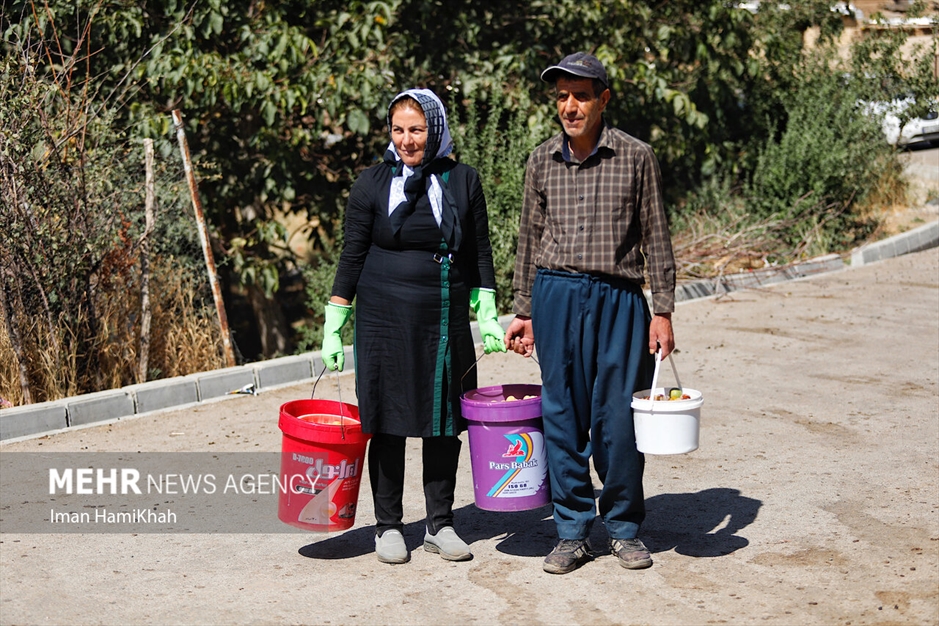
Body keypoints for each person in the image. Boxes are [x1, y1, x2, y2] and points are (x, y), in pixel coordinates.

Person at [504, 52, 677, 574]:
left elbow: (657, 237)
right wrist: (524, 310)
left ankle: (623, 528)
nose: (570, 106)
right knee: (561, 415)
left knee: (619, 420)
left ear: (604, 99)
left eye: (581, 95)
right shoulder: (540, 161)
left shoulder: (636, 156)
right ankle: (572, 530)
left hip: (620, 298)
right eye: (562, 96)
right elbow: (529, 240)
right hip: (556, 295)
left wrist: (662, 310)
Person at [320, 88, 506, 565]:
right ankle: (387, 526)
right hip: (382, 320)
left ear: (436, 130)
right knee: (386, 419)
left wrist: (487, 313)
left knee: (443, 422)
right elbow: (352, 255)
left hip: (442, 317)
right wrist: (335, 321)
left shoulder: (463, 181)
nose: (407, 140)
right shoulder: (371, 184)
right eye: (399, 130)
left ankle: (440, 524)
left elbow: (479, 251)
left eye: (417, 130)